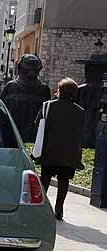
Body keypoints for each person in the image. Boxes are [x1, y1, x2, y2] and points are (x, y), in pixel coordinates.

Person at [34, 78, 85, 220]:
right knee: (63, 180)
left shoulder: (47, 106)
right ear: (74, 93)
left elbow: (37, 123)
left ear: (59, 90)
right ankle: (59, 209)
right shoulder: (80, 111)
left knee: (45, 178)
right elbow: (80, 131)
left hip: (49, 150)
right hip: (68, 153)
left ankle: (40, 207)